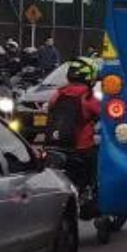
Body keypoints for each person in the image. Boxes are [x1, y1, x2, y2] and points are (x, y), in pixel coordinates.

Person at [46, 58, 103, 209]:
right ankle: (90, 193)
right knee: (97, 167)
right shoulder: (87, 96)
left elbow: (49, 109)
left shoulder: (58, 94)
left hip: (55, 145)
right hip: (81, 147)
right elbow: (104, 113)